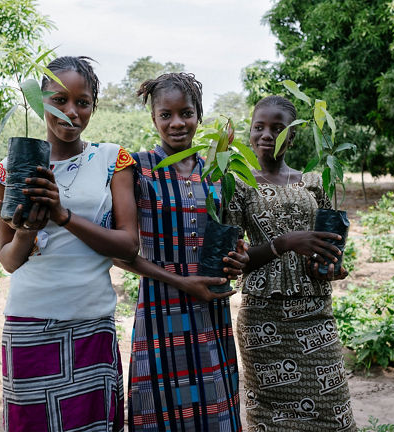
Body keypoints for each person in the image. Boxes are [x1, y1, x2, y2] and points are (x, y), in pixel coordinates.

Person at [0, 56, 139, 432]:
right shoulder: (13, 166)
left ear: (93, 106)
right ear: (39, 102)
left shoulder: (111, 159)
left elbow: (129, 245)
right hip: (29, 322)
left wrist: (63, 216)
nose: (71, 111)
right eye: (58, 100)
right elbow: (8, 260)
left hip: (92, 323)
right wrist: (26, 233)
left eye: (83, 102)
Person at [114, 73, 244, 431]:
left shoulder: (216, 173)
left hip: (210, 310)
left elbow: (226, 236)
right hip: (160, 308)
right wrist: (181, 281)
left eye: (186, 113)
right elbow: (117, 251)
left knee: (213, 407)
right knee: (160, 407)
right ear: (153, 118)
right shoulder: (136, 168)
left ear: (198, 116)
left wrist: (236, 253)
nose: (176, 123)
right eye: (165, 115)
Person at [226, 95, 356, 431]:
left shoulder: (313, 182)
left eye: (277, 128)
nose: (266, 134)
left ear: (292, 136)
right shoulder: (239, 184)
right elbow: (234, 261)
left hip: (314, 311)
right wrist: (284, 243)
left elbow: (328, 243)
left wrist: (331, 265)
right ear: (250, 132)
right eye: (259, 127)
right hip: (263, 319)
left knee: (333, 411)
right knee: (270, 417)